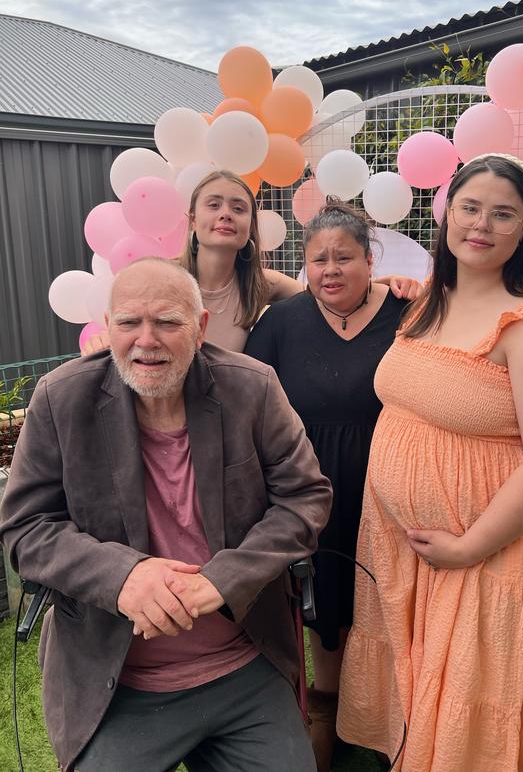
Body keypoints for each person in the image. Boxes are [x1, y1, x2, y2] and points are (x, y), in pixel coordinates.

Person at [0, 257, 332, 772]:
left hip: (242, 663)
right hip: (120, 681)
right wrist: (122, 576)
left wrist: (225, 579)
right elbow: (25, 527)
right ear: (108, 328)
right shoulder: (60, 400)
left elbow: (305, 497)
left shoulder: (252, 387)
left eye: (168, 322)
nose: (146, 340)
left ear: (199, 329)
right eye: (129, 322)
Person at [337, 154, 523, 772]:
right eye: (470, 207)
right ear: (447, 214)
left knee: (475, 702)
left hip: (487, 548)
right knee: (421, 690)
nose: (481, 225)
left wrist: (470, 545)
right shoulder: (425, 301)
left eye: (503, 214)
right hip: (408, 545)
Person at [245, 201, 411, 772]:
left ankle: (395, 712)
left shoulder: (411, 311)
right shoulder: (281, 323)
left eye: (345, 257)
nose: (331, 270)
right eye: (319, 260)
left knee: (387, 595)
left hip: (389, 479)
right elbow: (249, 395)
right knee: (324, 601)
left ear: (371, 261)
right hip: (306, 481)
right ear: (304, 265)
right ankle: (327, 709)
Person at [83, 170, 418, 355]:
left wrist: (381, 286)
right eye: (213, 205)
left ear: (249, 228)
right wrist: (102, 340)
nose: (226, 213)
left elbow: (325, 291)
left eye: (239, 208)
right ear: (192, 220)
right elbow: (123, 327)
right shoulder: (162, 278)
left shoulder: (262, 283)